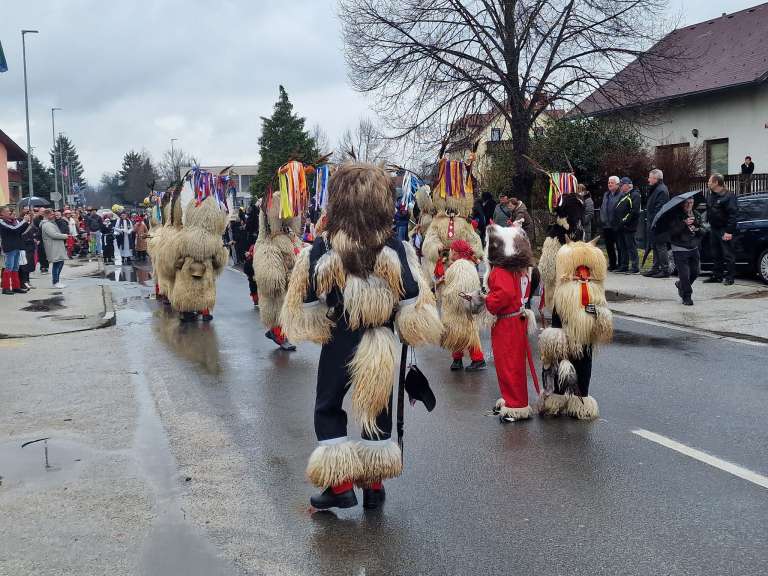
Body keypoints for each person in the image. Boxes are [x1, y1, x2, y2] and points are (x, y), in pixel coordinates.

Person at [281, 162, 442, 510]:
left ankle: (339, 487)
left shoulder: (324, 247)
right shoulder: (395, 246)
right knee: (377, 406)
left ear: (339, 200)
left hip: (341, 335)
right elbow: (412, 298)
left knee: (328, 404)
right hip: (381, 339)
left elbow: (310, 299)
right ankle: (373, 483)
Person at [538, 238, 613, 419]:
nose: (583, 274)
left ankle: (580, 403)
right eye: (579, 270)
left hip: (586, 337)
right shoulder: (562, 291)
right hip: (565, 337)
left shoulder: (596, 290)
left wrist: (598, 313)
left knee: (583, 369)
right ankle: (556, 400)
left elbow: (604, 313)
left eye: (586, 270)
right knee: (559, 369)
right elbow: (557, 314)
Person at [483, 222, 539, 422]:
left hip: (508, 322)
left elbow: (502, 295)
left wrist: (486, 300)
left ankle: (516, 404)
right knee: (510, 362)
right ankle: (511, 399)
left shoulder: (500, 270)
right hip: (517, 319)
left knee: (509, 363)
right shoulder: (519, 269)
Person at [704, 173, 738, 285]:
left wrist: (729, 231)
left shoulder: (728, 196)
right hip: (714, 228)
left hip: (724, 229)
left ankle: (730, 277)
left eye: (709, 181)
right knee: (715, 253)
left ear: (716, 183)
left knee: (728, 254)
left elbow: (733, 215)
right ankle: (717, 275)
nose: (708, 183)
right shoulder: (711, 195)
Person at [669, 198, 703, 305]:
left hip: (693, 246)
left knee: (695, 272)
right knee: (684, 274)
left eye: (691, 202)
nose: (689, 205)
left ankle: (681, 285)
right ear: (682, 203)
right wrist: (683, 223)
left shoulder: (696, 214)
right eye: (686, 202)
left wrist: (697, 228)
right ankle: (687, 296)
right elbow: (672, 232)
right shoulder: (675, 215)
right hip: (679, 247)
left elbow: (703, 229)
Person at [643, 169, 671, 278]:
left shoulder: (661, 190)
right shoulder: (656, 189)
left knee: (660, 246)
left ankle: (665, 270)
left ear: (655, 178)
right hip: (653, 222)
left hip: (659, 224)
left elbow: (659, 210)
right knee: (654, 246)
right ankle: (655, 268)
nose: (648, 179)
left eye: (650, 177)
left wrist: (654, 223)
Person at [0, 206, 31, 294]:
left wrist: (26, 221)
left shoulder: (12, 221)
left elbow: (19, 230)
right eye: (6, 211)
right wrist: (24, 221)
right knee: (9, 267)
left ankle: (15, 286)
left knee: (15, 267)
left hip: (17, 245)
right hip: (9, 246)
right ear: (1, 213)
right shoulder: (1, 221)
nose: (9, 212)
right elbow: (14, 229)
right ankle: (5, 288)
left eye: (9, 211)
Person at [613, 177, 640, 273]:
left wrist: (624, 221)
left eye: (621, 185)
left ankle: (635, 266)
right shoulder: (624, 195)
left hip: (629, 226)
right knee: (622, 247)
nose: (620, 187)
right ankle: (624, 265)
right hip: (621, 227)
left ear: (627, 185)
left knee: (631, 246)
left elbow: (634, 211)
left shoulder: (635, 195)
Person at [40, 209, 70, 288]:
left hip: (56, 246)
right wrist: (65, 236)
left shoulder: (50, 223)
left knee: (60, 262)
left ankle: (57, 281)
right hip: (53, 246)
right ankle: (55, 282)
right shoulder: (46, 224)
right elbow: (53, 234)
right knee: (57, 264)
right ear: (46, 215)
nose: (53, 216)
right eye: (51, 214)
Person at [600, 176, 621, 270]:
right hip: (606, 225)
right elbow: (603, 208)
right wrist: (602, 219)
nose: (609, 184)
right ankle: (612, 264)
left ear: (617, 184)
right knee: (609, 246)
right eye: (608, 182)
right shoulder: (606, 194)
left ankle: (621, 264)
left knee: (619, 246)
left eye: (611, 182)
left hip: (616, 225)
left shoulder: (621, 194)